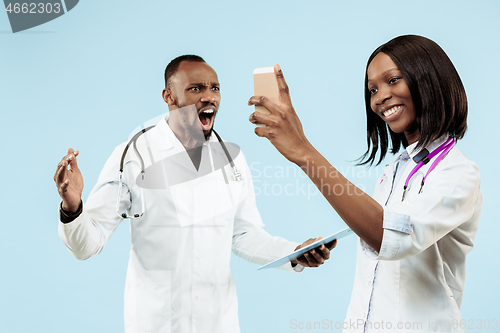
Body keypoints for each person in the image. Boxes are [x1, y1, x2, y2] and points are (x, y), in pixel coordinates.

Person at [54, 55, 335, 333]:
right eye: (196, 88)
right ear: (169, 96)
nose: (209, 97)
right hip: (157, 323)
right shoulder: (133, 155)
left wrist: (293, 253)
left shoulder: (232, 160)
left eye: (215, 88)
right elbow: (86, 246)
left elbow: (244, 235)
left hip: (218, 323)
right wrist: (73, 206)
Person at [248, 35, 482, 332]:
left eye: (393, 80)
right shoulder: (393, 171)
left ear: (430, 79)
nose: (380, 97)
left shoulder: (459, 173)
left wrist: (304, 152)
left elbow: (389, 236)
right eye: (372, 89)